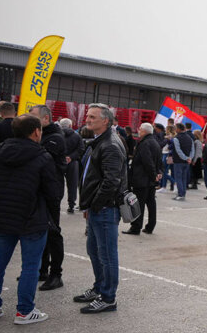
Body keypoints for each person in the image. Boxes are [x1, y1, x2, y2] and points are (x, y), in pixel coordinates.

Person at [0, 114, 61, 324]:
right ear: (36, 132)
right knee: (30, 266)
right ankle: (24, 311)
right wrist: (52, 216)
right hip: (31, 217)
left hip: (1, 215)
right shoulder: (42, 156)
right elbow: (53, 193)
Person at [74, 103, 127, 314]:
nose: (88, 119)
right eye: (88, 115)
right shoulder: (99, 142)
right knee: (94, 251)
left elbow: (111, 181)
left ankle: (108, 298)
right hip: (96, 208)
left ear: (106, 120)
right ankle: (99, 288)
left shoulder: (111, 145)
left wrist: (95, 205)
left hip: (105, 209)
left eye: (93, 117)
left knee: (106, 255)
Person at [29, 105, 67, 291]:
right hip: (38, 190)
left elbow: (41, 161)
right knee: (39, 230)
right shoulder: (40, 136)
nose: (30, 119)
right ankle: (42, 270)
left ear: (45, 119)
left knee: (53, 233)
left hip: (51, 191)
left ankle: (56, 274)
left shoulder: (55, 138)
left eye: (34, 116)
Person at [125, 123, 161, 234]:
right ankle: (150, 226)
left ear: (144, 131)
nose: (139, 131)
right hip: (150, 180)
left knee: (138, 204)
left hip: (142, 179)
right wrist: (157, 173)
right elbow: (158, 161)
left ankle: (135, 228)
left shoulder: (144, 143)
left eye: (140, 129)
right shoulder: (155, 142)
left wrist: (153, 175)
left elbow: (147, 162)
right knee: (151, 203)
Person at [60, 118, 84, 213]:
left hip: (59, 162)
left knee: (58, 182)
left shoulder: (57, 135)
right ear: (70, 125)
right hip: (73, 162)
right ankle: (71, 205)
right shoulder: (77, 136)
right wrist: (71, 157)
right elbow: (81, 149)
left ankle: (56, 202)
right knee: (72, 184)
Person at [168, 123, 195, 201]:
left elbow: (178, 150)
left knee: (178, 178)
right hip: (187, 162)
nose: (175, 130)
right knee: (184, 178)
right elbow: (192, 149)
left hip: (178, 161)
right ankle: (183, 193)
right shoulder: (190, 138)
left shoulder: (176, 138)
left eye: (176, 128)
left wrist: (185, 158)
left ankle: (180, 194)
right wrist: (190, 158)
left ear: (179, 129)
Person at [158, 124, 176, 193]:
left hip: (167, 154)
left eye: (166, 129)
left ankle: (174, 183)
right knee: (165, 171)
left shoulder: (170, 137)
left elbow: (172, 145)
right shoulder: (169, 136)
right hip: (165, 153)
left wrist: (168, 142)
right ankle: (164, 187)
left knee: (164, 171)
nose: (165, 130)